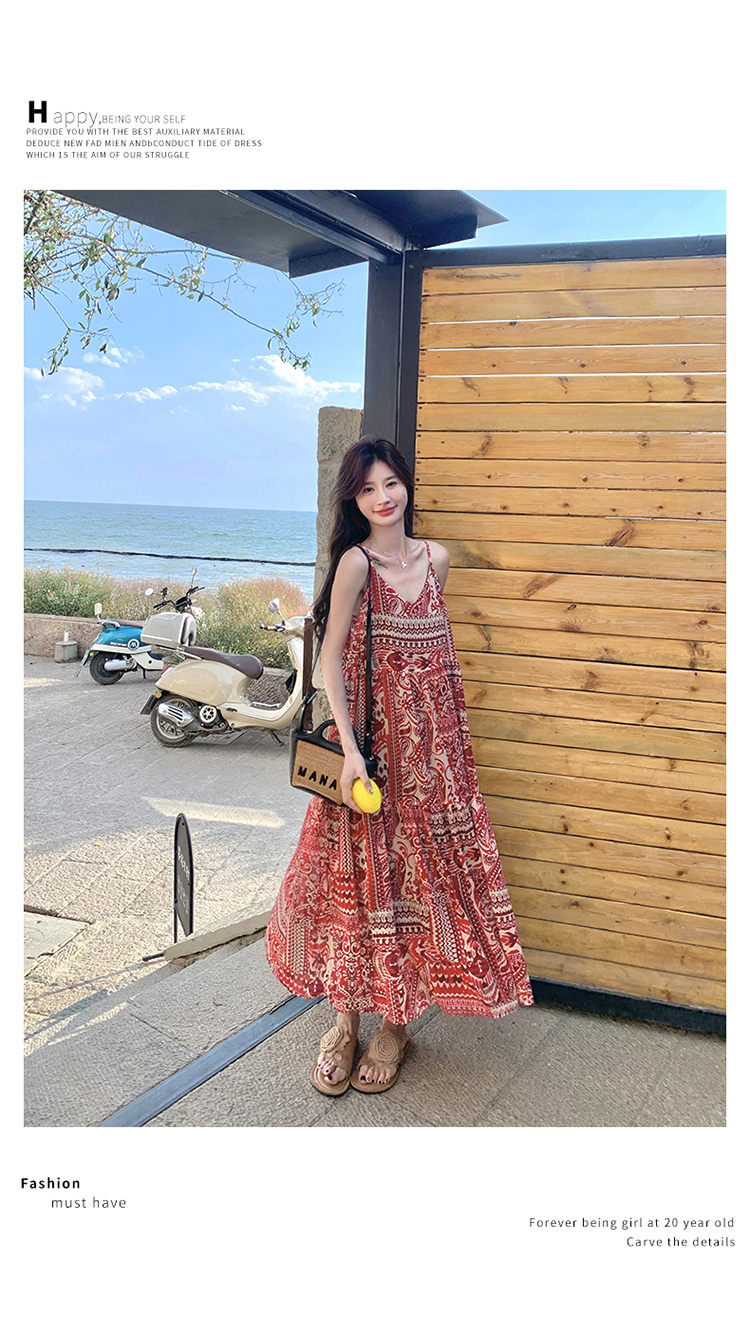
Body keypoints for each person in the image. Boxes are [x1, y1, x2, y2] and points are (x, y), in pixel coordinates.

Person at [265, 436, 534, 1095]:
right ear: (354, 501)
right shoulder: (356, 563)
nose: (382, 497)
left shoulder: (436, 560)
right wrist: (352, 749)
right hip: (370, 758)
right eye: (367, 488)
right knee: (353, 881)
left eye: (390, 482)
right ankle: (344, 1022)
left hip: (434, 761)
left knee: (414, 889)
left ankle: (395, 1025)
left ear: (406, 485)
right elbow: (331, 659)